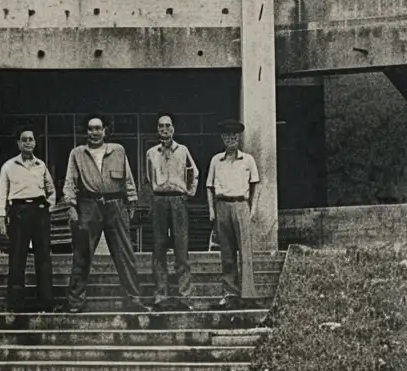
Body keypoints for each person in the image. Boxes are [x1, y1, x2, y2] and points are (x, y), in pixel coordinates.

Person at [62, 115, 148, 311]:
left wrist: (132, 201)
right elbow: (70, 182)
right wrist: (71, 206)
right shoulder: (77, 153)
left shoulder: (118, 150)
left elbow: (127, 178)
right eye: (91, 129)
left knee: (125, 253)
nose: (94, 132)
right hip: (88, 206)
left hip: (115, 205)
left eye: (98, 128)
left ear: (105, 130)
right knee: (82, 254)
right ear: (86, 131)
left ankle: (134, 298)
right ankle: (75, 301)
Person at [141, 113, 201, 309]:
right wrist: (155, 195)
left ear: (173, 129)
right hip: (159, 201)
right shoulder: (151, 153)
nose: (164, 130)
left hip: (178, 200)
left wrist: (188, 193)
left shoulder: (182, 151)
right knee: (158, 247)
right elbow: (148, 177)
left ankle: (184, 294)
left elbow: (194, 173)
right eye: (161, 127)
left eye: (167, 126)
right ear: (157, 130)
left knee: (181, 247)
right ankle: (161, 293)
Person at [0, 127, 56, 314]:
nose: (28, 142)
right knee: (17, 256)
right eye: (24, 139)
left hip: (39, 211)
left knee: (43, 256)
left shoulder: (41, 166)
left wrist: (48, 208)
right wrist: (1, 219)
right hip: (18, 211)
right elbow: (1, 194)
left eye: (31, 139)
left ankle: (46, 302)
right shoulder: (8, 166)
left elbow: (51, 190)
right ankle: (15, 303)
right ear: (18, 143)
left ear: (35, 143)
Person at [205, 121, 262, 307]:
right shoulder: (216, 160)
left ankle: (248, 295)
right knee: (227, 253)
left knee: (245, 252)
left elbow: (256, 185)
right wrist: (212, 210)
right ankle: (230, 294)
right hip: (222, 206)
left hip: (241, 205)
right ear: (223, 138)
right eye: (227, 136)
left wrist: (252, 210)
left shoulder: (248, 160)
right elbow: (209, 187)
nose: (231, 139)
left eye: (234, 136)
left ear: (239, 138)